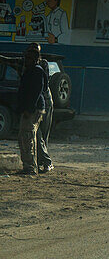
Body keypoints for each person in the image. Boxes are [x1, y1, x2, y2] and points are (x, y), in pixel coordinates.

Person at [16, 43, 48, 175]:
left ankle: (30, 167)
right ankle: (28, 166)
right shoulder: (31, 70)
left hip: (33, 109)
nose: (26, 60)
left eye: (28, 58)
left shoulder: (36, 71)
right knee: (25, 137)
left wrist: (29, 109)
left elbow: (36, 91)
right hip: (31, 108)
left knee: (27, 137)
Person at [36, 50, 54, 173]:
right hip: (42, 103)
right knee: (40, 135)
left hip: (44, 104)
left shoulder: (41, 66)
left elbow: (41, 87)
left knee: (40, 134)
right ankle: (42, 161)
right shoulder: (32, 66)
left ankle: (46, 161)